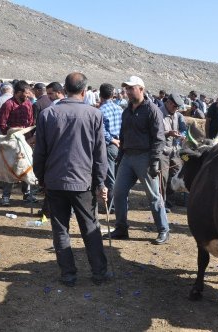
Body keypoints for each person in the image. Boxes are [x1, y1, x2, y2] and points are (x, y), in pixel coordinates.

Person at [33, 72, 109, 287]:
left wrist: (41, 178)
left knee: (60, 229)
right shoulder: (94, 115)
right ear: (84, 92)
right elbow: (99, 154)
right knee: (90, 227)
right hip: (83, 181)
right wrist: (100, 181)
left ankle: (68, 274)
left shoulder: (48, 114)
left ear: (64, 89)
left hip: (56, 181)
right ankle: (99, 272)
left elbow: (40, 152)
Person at [103, 75, 169, 245]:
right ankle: (121, 228)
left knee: (154, 196)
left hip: (145, 157)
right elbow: (123, 136)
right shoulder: (126, 111)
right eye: (126, 89)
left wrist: (154, 161)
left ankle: (163, 230)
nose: (128, 91)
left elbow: (159, 138)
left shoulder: (152, 110)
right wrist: (120, 156)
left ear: (141, 89)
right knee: (118, 193)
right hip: (128, 157)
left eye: (131, 88)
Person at [0, 80, 37, 205]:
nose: (28, 95)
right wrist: (11, 135)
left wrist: (29, 138)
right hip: (12, 142)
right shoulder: (8, 105)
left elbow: (31, 122)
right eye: (26, 93)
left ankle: (27, 194)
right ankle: (5, 196)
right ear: (18, 92)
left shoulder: (28, 104)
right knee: (10, 167)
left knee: (27, 166)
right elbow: (2, 124)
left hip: (26, 141)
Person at [159, 92, 186, 210]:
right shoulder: (158, 113)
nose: (176, 109)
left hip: (175, 151)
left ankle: (168, 197)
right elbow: (155, 133)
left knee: (175, 174)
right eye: (175, 106)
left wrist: (182, 135)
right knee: (163, 178)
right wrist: (168, 133)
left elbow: (183, 129)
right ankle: (161, 203)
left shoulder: (177, 115)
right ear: (168, 103)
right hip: (162, 152)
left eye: (178, 107)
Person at [99, 82, 123, 211]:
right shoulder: (119, 109)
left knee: (110, 177)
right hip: (119, 145)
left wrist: (112, 140)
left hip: (109, 146)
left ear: (100, 95)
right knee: (118, 176)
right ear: (113, 95)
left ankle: (112, 205)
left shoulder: (101, 111)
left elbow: (102, 131)